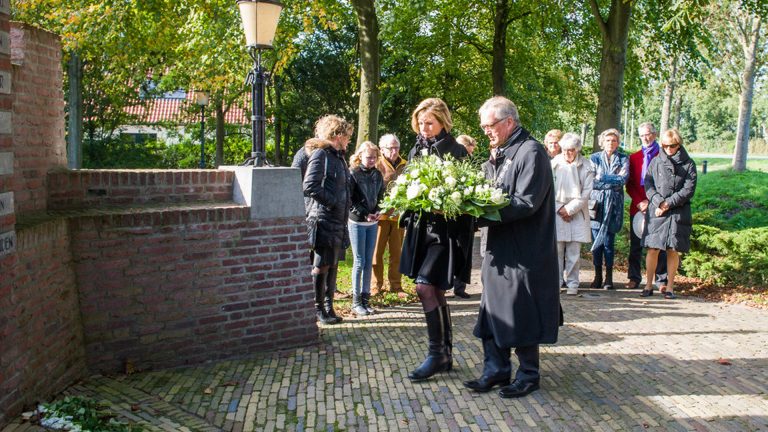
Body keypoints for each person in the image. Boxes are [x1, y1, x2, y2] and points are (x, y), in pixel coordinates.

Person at [463, 96, 559, 399]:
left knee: (522, 310)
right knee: (492, 308)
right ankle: (496, 369)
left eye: (489, 126)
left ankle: (529, 374)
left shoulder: (531, 152)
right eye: (483, 127)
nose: (486, 132)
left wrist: (480, 212)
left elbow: (526, 202)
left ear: (508, 122)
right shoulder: (499, 153)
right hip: (498, 248)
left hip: (524, 250)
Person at [400, 98, 473, 382]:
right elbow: (407, 183)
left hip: (445, 232)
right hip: (421, 230)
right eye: (420, 122)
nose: (424, 127)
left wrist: (447, 205)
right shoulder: (417, 148)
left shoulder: (456, 151)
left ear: (443, 121)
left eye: (429, 122)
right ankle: (445, 353)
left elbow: (466, 195)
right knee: (435, 291)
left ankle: (436, 354)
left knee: (425, 286)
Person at [302, 115, 353, 325]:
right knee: (321, 265)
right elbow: (310, 185)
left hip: (338, 220)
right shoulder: (321, 154)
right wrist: (332, 202)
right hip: (324, 219)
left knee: (333, 265)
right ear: (338, 135)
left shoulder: (338, 157)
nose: (349, 140)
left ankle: (329, 306)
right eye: (347, 136)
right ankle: (318, 308)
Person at [641, 129, 697, 299]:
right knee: (653, 249)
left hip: (678, 212)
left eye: (672, 146)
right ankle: (648, 285)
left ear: (678, 144)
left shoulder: (689, 164)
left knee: (673, 249)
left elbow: (689, 189)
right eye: (665, 146)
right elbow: (648, 184)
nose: (668, 149)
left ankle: (670, 286)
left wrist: (668, 203)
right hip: (657, 211)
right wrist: (658, 201)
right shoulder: (656, 161)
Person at [551, 133, 594, 295]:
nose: (567, 153)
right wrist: (559, 208)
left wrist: (569, 209)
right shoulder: (554, 164)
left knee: (574, 254)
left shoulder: (586, 166)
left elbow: (586, 192)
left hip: (577, 214)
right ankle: (556, 283)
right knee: (556, 252)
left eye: (570, 150)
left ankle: (573, 284)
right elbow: (548, 188)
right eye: (564, 150)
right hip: (556, 213)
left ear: (577, 150)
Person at [626, 123, 668, 290]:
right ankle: (634, 277)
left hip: (658, 204)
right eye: (642, 135)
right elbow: (629, 184)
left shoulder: (663, 155)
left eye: (649, 134)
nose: (646, 137)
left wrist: (653, 201)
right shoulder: (634, 157)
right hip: (638, 205)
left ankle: (661, 280)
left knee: (659, 244)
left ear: (655, 134)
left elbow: (665, 184)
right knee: (636, 244)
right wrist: (639, 201)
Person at [589, 128, 629, 290]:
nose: (610, 143)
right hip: (597, 205)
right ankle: (597, 275)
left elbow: (622, 180)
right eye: (607, 140)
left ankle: (609, 277)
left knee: (609, 243)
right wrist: (611, 180)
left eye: (614, 140)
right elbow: (592, 181)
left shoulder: (623, 159)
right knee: (596, 242)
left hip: (614, 206)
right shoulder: (594, 158)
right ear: (602, 142)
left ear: (618, 143)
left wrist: (602, 178)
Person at [348, 141, 385, 316]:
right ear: (360, 156)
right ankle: (356, 302)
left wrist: (378, 211)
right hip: (357, 221)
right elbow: (350, 200)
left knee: (369, 261)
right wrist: (364, 214)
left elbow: (380, 195)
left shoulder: (378, 174)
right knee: (360, 260)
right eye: (369, 157)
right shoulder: (353, 173)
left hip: (373, 221)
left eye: (374, 157)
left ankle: (365, 299)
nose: (371, 160)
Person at [372, 134, 407, 296]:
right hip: (380, 216)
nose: (394, 151)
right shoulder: (377, 164)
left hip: (399, 216)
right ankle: (375, 286)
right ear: (382, 149)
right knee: (376, 253)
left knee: (397, 252)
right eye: (390, 148)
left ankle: (396, 285)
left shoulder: (405, 164)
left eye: (396, 147)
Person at [451, 134, 479, 299]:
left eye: (470, 153)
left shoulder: (473, 166)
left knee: (464, 252)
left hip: (467, 216)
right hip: (451, 215)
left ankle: (460, 285)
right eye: (467, 153)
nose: (469, 156)